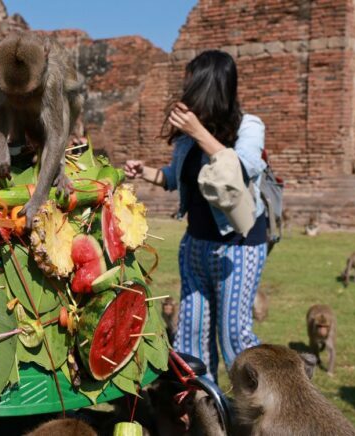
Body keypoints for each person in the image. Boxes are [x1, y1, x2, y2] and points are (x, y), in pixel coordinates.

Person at [124, 50, 268, 382]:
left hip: (238, 247)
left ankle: (262, 415)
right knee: (192, 338)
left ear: (210, 86)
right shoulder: (188, 138)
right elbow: (175, 178)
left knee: (236, 341)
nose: (184, 90)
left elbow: (244, 168)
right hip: (195, 247)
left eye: (190, 82)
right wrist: (144, 171)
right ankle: (205, 414)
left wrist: (199, 131)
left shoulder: (249, 126)